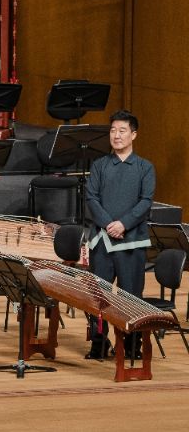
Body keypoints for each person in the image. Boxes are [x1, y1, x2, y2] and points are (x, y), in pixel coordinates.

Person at [85, 109, 155, 359]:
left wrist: (123, 224)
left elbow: (145, 202)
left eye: (122, 130)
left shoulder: (145, 167)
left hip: (132, 241)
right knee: (98, 298)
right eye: (113, 130)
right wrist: (107, 224)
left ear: (133, 135)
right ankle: (98, 344)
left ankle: (132, 346)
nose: (116, 135)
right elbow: (91, 198)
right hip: (102, 241)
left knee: (131, 295)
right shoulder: (100, 165)